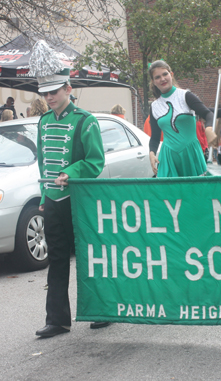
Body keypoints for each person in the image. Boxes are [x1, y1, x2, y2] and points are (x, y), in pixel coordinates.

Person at [32, 50, 108, 337]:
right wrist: (43, 196)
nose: (49, 98)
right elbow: (43, 163)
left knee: (88, 256)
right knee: (58, 258)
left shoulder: (85, 121)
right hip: (52, 200)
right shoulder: (42, 122)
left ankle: (100, 310)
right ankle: (58, 319)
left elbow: (95, 162)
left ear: (67, 88)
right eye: (45, 94)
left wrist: (71, 173)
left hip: (79, 200)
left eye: (54, 92)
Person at [148, 60, 214, 177]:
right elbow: (155, 137)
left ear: (171, 74)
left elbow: (208, 114)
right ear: (153, 82)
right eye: (157, 77)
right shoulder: (154, 106)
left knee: (195, 192)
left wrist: (209, 128)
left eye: (165, 74)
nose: (162, 79)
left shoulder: (185, 96)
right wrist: (152, 153)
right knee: (169, 194)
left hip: (191, 154)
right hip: (168, 157)